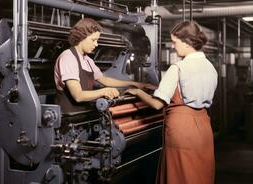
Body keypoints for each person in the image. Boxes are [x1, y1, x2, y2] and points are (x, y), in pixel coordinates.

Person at [125, 21, 218, 184]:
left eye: (175, 42)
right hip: (203, 127)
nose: (173, 47)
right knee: (198, 174)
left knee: (179, 174)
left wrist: (138, 91)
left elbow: (157, 104)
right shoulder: (210, 67)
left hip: (182, 129)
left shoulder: (178, 68)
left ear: (187, 42)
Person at [54, 18, 152, 113]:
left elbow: (104, 80)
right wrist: (104, 91)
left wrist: (134, 84)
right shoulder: (68, 58)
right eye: (93, 40)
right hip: (68, 117)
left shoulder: (87, 60)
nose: (96, 44)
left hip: (84, 114)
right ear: (81, 37)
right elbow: (78, 96)